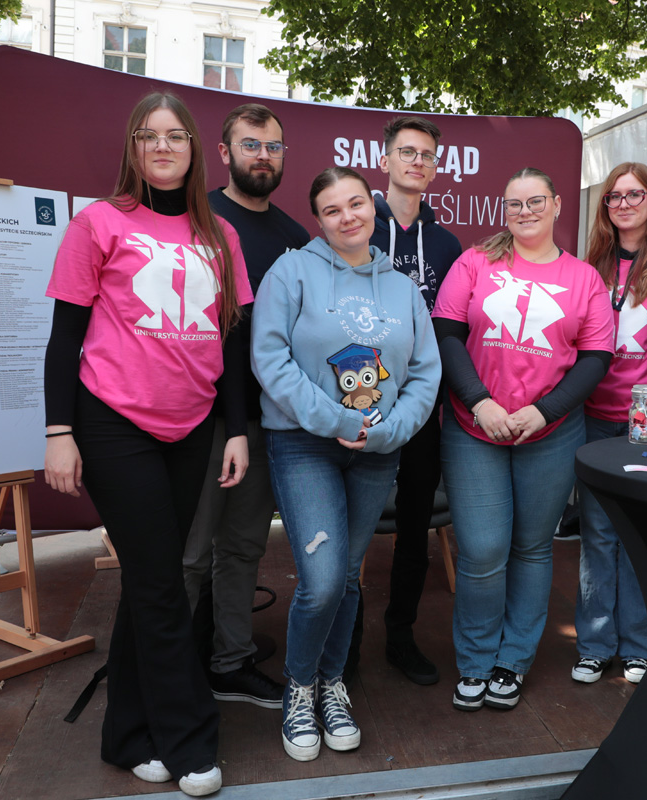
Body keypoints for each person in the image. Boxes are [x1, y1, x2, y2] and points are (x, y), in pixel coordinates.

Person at [43, 91, 251, 797]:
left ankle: (127, 735)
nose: (162, 146)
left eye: (175, 135)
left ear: (194, 149)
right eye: (148, 135)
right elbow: (64, 339)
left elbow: (232, 342)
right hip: (112, 423)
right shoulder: (98, 223)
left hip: (191, 427)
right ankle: (189, 740)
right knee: (162, 582)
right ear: (133, 148)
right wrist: (60, 432)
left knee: (148, 580)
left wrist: (237, 429)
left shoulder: (221, 235)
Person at [250, 167, 440, 762]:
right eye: (332, 210)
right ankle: (300, 687)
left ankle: (332, 684)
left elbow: (425, 373)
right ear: (318, 220)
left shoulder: (402, 287)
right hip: (304, 443)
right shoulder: (291, 272)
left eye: (356, 203)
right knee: (324, 579)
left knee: (350, 576)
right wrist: (336, 419)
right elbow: (269, 358)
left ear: (372, 207)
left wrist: (389, 430)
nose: (347, 217)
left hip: (378, 449)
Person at [432, 167, 614, 712]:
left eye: (536, 201)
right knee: (483, 550)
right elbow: (446, 333)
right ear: (503, 211)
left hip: (551, 432)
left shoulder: (583, 277)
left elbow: (596, 358)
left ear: (557, 205)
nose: (525, 211)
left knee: (532, 548)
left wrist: (544, 410)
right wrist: (480, 401)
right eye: (514, 203)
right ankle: (475, 660)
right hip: (474, 427)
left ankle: (512, 661)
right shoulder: (475, 261)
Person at [182, 103, 309, 709]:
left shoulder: (295, 238)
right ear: (224, 152)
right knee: (188, 555)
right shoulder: (196, 220)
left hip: (266, 419)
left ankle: (229, 662)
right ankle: (169, 675)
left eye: (273, 146)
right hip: (203, 420)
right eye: (250, 144)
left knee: (242, 548)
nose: (263, 155)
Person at [350, 115, 462, 686]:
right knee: (350, 527)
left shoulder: (446, 244)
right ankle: (344, 643)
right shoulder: (358, 227)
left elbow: (450, 326)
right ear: (386, 160)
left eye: (426, 156)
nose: (417, 162)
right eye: (407, 152)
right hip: (360, 400)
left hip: (421, 406)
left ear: (435, 169)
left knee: (415, 528)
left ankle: (401, 635)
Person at [571, 163, 647, 686]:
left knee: (640, 532)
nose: (624, 204)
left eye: (635, 194)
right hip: (595, 412)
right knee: (597, 533)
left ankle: (639, 645)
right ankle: (594, 645)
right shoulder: (587, 267)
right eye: (614, 196)